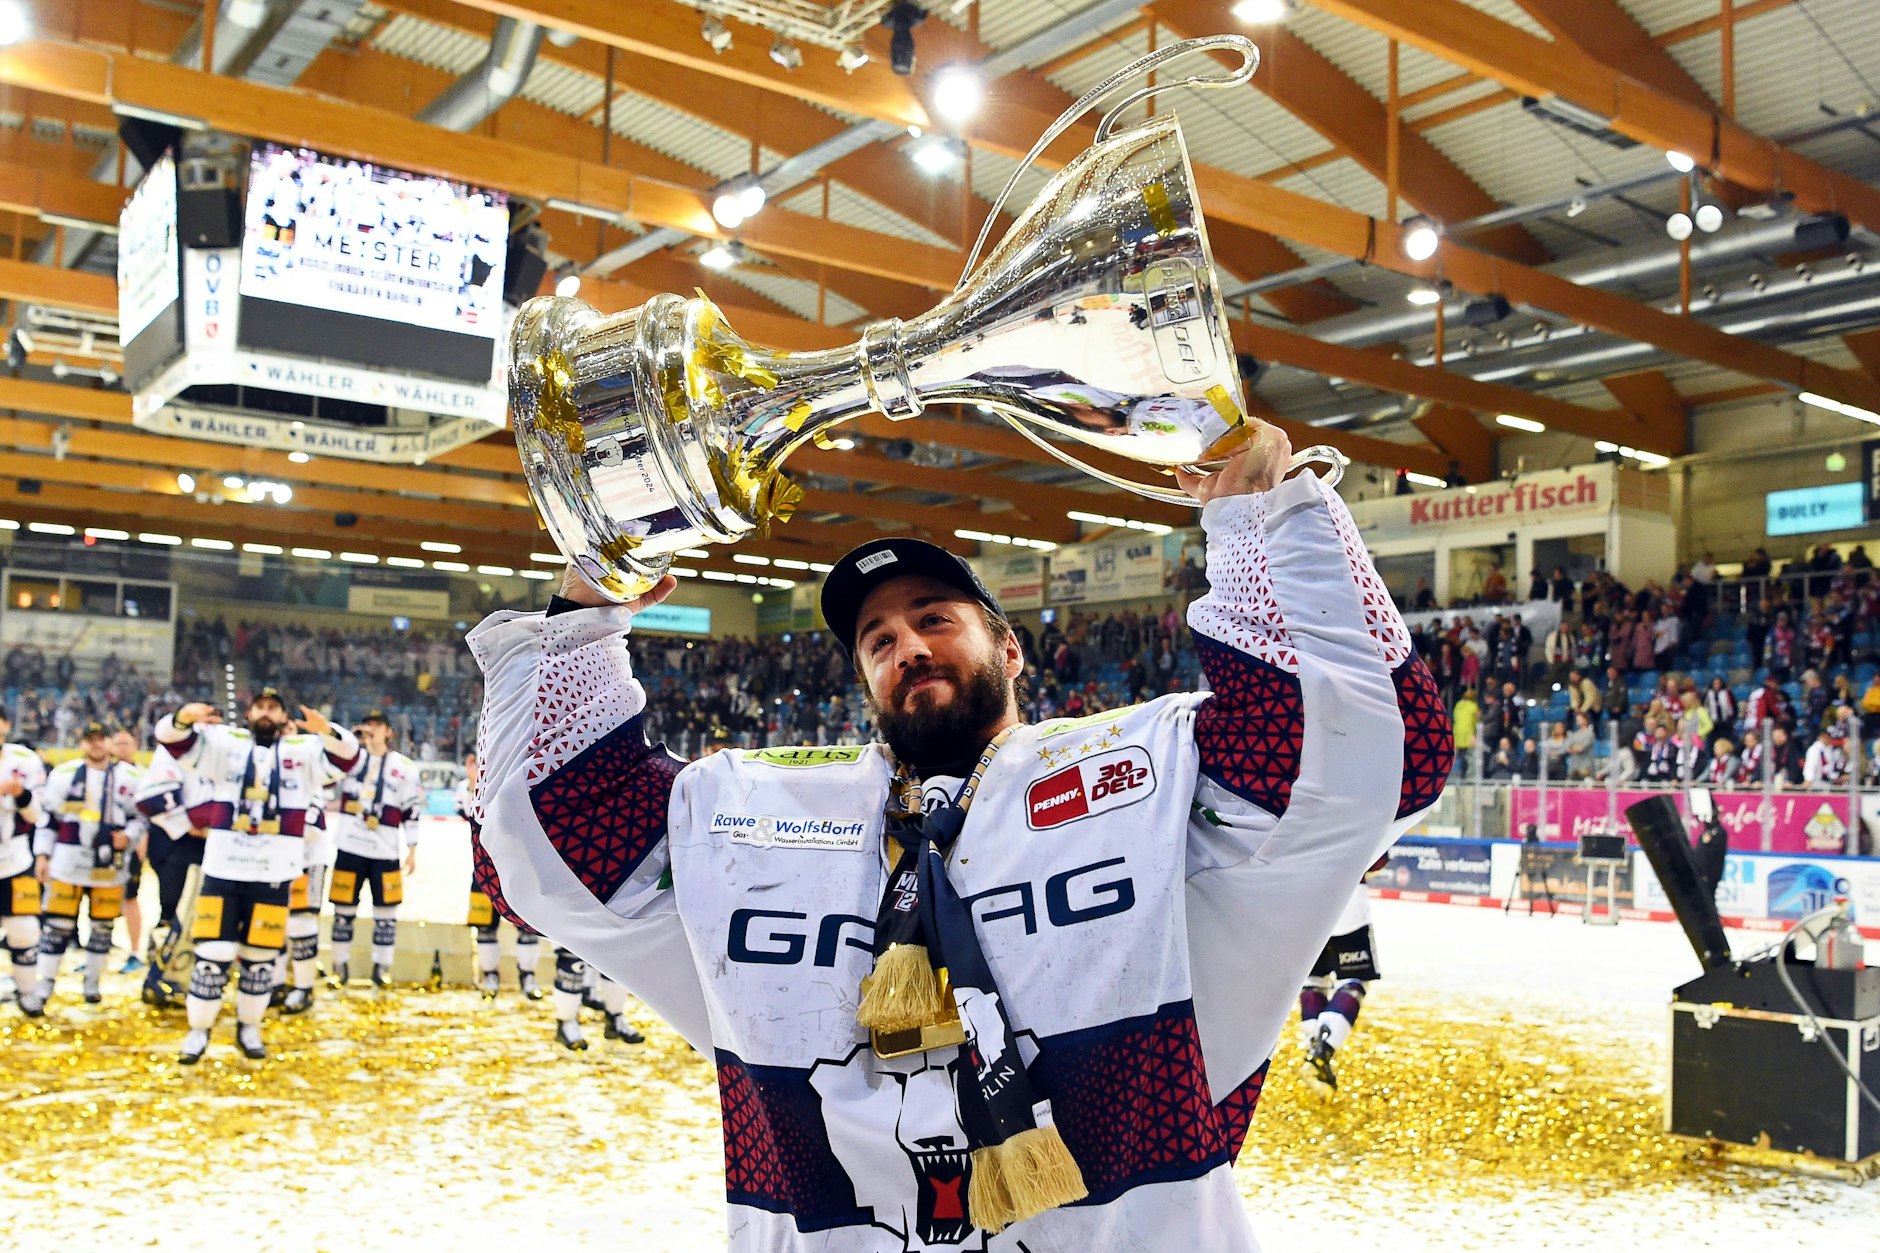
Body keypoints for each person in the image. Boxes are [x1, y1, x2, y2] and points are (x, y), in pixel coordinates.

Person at [469, 425, 1452, 1247]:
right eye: (878, 640)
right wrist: (587, 604)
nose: (906, 645)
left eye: (934, 617)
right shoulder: (765, 816)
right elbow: (547, 848)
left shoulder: (1143, 776)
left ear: (1008, 647)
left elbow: (1368, 753)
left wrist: (1260, 521)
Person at [153, 689, 358, 1063]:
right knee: (212, 954)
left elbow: (347, 757)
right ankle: (198, 1031)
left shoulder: (303, 750)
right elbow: (171, 740)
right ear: (248, 713)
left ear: (284, 717)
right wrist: (184, 717)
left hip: (274, 873)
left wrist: (326, 730)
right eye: (260, 707)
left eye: (274, 708)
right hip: (223, 868)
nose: (266, 713)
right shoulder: (224, 743)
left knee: (261, 958)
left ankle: (249, 1027)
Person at [27, 722, 144, 1011]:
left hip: (109, 865)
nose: (96, 744)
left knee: (102, 928)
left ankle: (92, 983)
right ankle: (44, 985)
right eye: (90, 739)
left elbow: (141, 817)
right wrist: (42, 855)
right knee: (57, 926)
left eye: (101, 738)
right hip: (67, 862)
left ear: (110, 742)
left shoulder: (130, 777)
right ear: (82, 743)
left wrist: (129, 835)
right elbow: (48, 819)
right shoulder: (63, 775)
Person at [326, 711, 424, 988]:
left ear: (389, 732)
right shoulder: (351, 759)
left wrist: (412, 848)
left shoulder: (405, 767)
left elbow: (411, 810)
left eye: (377, 726)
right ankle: (339, 967)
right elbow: (327, 776)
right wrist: (348, 742)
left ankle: (382, 968)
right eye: (367, 724)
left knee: (386, 914)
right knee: (342, 911)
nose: (372, 729)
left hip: (385, 852)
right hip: (349, 847)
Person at [458, 750, 542, 999]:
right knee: (485, 927)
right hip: (485, 868)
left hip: (521, 867)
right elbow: (465, 813)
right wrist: (473, 782)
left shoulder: (524, 773)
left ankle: (528, 977)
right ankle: (490, 976)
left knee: (528, 927)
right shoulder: (472, 784)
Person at [1298, 882, 1380, 1098]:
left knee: (1313, 980)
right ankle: (1321, 1052)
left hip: (1301, 901)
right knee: (1355, 979)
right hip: (1346, 901)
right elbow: (1376, 864)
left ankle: (1314, 1050)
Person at [0, 709, 45, 1014]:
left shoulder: (23, 760)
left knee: (25, 929)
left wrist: (20, 793)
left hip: (13, 859)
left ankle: (27, 992)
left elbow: (37, 815)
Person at [105, 728, 149, 975]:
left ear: (135, 746)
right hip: (104, 846)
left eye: (126, 743)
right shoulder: (103, 772)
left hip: (130, 846)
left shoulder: (141, 775)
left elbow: (146, 815)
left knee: (130, 898)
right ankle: (100, 947)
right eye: (118, 743)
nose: (121, 747)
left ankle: (134, 951)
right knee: (101, 896)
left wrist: (141, 843)